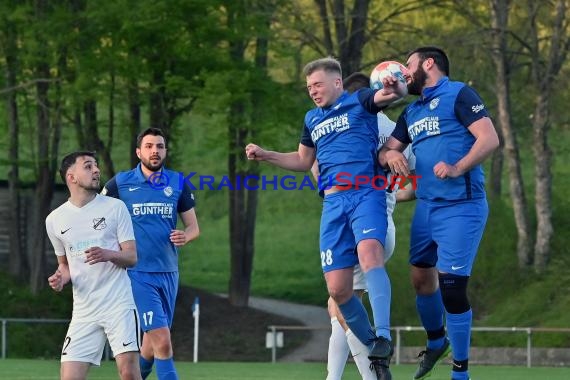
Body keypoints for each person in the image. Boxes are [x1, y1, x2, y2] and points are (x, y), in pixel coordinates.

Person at [246, 57, 407, 380]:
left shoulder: (359, 102)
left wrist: (394, 85)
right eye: (308, 87)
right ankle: (374, 348)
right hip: (333, 204)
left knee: (370, 254)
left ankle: (385, 337)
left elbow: (392, 95)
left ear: (337, 83)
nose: (313, 91)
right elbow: (304, 160)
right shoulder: (312, 118)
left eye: (317, 85)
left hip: (366, 194)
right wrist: (267, 155)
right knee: (338, 291)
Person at [379, 46, 499, 380]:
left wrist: (459, 166)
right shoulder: (412, 111)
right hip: (427, 208)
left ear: (428, 64)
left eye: (408, 64)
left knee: (451, 287)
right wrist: (391, 158)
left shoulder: (459, 93)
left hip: (462, 208)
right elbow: (387, 149)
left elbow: (489, 139)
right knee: (420, 278)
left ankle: (461, 370)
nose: (404, 71)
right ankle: (436, 342)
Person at [318, 72, 415, 380]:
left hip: (359, 225)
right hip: (381, 223)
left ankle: (375, 372)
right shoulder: (395, 131)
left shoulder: (341, 129)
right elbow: (414, 184)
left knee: (343, 307)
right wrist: (391, 194)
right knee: (337, 306)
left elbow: (319, 173)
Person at [102, 128, 200, 380]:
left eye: (159, 146)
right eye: (149, 146)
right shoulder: (120, 183)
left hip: (169, 272)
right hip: (137, 273)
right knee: (163, 341)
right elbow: (98, 217)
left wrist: (185, 236)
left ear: (165, 151)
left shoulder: (177, 182)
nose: (154, 151)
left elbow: (193, 227)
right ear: (138, 152)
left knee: (151, 344)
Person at [46, 151, 141, 380]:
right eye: (88, 166)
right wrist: (60, 278)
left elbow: (131, 257)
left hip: (118, 304)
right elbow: (65, 266)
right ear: (72, 177)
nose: (96, 170)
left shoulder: (115, 207)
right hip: (84, 310)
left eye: (96, 166)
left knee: (128, 372)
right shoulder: (54, 220)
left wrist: (107, 254)